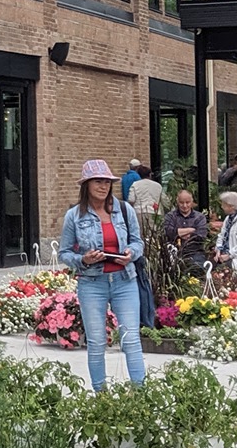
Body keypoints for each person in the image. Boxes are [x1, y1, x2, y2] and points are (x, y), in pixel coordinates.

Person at [56, 159, 148, 391]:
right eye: (98, 181)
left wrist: (131, 253)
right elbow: (65, 252)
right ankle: (102, 397)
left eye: (107, 182)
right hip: (92, 283)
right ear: (86, 184)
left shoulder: (124, 209)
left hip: (124, 280)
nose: (103, 186)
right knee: (96, 344)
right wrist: (83, 260)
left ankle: (142, 396)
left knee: (131, 340)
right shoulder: (74, 216)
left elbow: (138, 242)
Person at [163, 188, 211, 276]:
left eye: (187, 202)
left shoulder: (200, 217)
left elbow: (201, 236)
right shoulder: (170, 216)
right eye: (181, 202)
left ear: (192, 201)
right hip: (174, 253)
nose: (185, 205)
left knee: (199, 270)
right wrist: (190, 230)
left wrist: (178, 232)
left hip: (195, 252)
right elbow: (168, 232)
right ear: (177, 201)